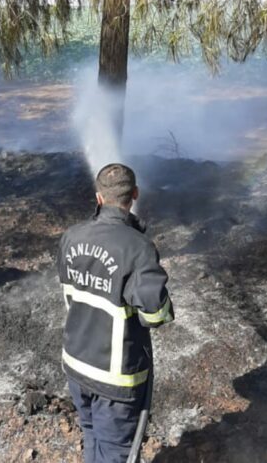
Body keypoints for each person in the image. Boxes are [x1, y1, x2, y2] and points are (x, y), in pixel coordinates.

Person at [58, 163, 175, 463]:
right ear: (134, 194)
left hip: (76, 364)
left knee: (91, 434)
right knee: (116, 453)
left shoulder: (71, 237)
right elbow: (155, 315)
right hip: (115, 378)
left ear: (98, 198)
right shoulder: (138, 248)